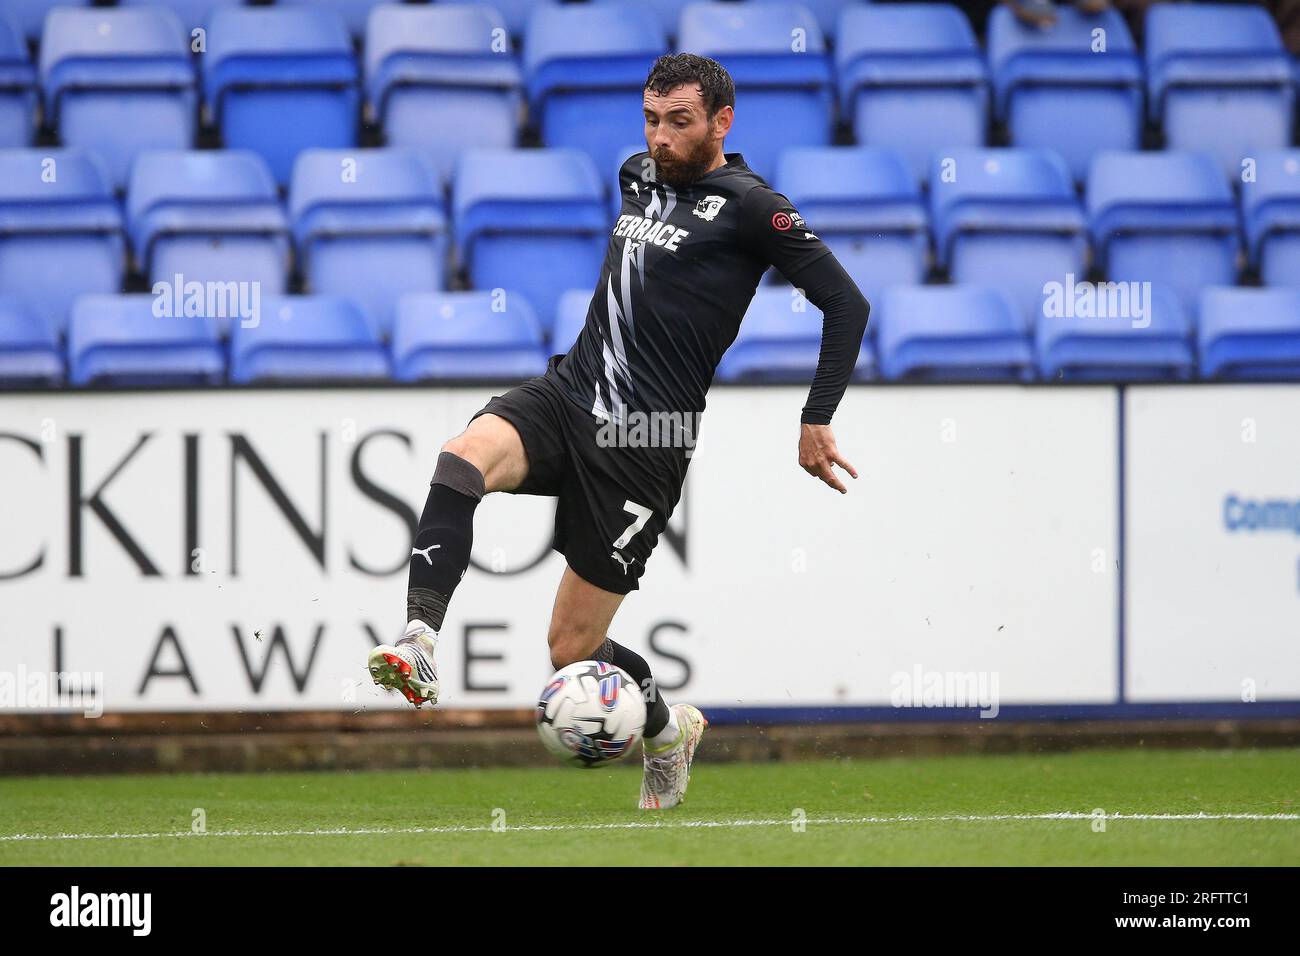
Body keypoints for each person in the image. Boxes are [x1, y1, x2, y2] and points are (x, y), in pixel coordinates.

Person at [368, 54, 870, 810]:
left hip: (646, 439)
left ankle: (668, 731)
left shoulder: (752, 207)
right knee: (462, 456)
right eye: (651, 119)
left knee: (570, 651)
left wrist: (815, 417)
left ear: (722, 122)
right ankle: (419, 638)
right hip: (569, 393)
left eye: (680, 121)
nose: (661, 138)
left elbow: (847, 303)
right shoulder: (637, 174)